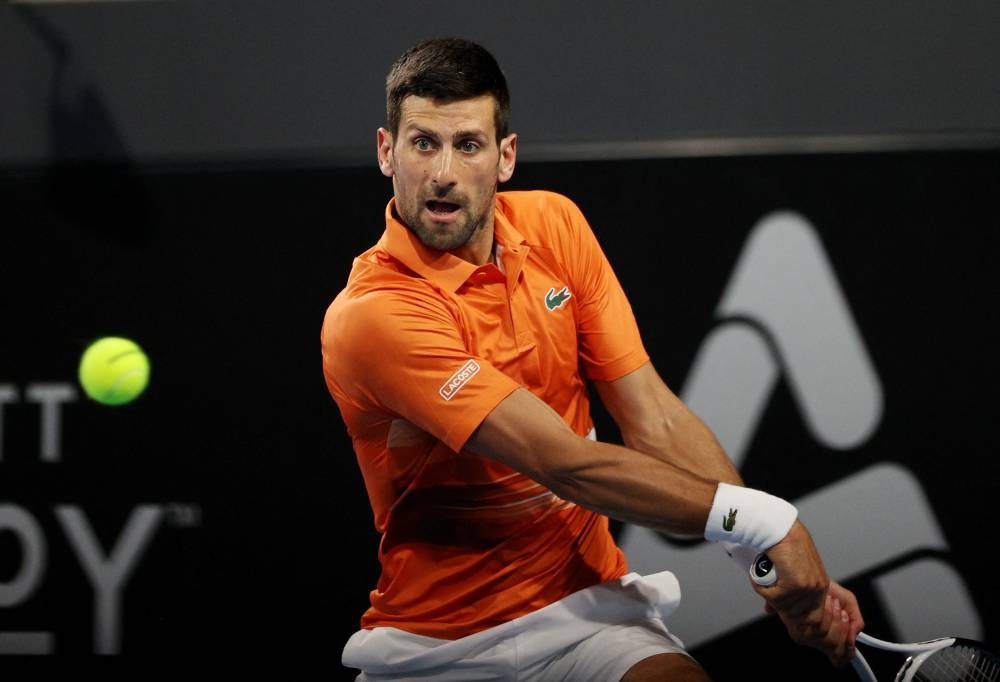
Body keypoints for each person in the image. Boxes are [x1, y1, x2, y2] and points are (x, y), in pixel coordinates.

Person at [320, 36, 864, 681]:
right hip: (438, 648)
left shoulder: (556, 226)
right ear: (387, 151)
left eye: (467, 144)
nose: (442, 172)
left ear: (504, 158)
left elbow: (652, 417)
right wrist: (768, 522)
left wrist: (762, 557)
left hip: (587, 612)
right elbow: (565, 464)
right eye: (422, 143)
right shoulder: (374, 315)